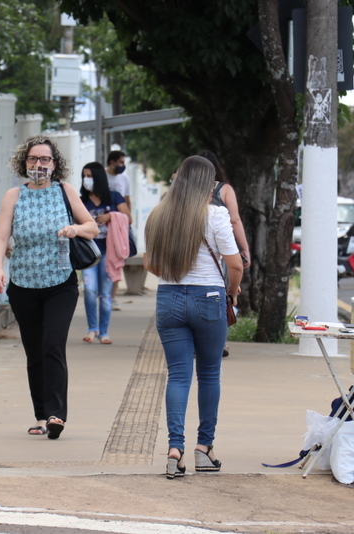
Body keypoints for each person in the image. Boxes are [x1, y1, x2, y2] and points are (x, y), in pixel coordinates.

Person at [0, 135, 98, 439]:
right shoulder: (13, 196)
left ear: (54, 164)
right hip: (23, 283)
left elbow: (92, 226)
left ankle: (56, 415)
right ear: (24, 163)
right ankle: (40, 416)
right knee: (34, 351)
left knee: (52, 346)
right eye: (33, 159)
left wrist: (74, 229)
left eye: (45, 159)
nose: (39, 165)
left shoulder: (65, 191)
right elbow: (1, 237)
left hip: (60, 282)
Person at [144, 155, 243, 479]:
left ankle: (175, 450)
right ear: (207, 183)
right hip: (209, 299)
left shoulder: (158, 215)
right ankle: (204, 448)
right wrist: (234, 290)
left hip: (169, 298)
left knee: (178, 375)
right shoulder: (215, 215)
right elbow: (236, 264)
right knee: (210, 374)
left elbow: (151, 265)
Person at [197, 149, 252, 358]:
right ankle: (220, 341)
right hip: (219, 252)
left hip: (192, 253)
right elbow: (235, 220)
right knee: (224, 296)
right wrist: (243, 248)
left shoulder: (187, 190)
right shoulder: (224, 189)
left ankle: (197, 341)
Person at [79, 162, 132, 345]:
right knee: (89, 290)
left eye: (90, 176)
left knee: (105, 295)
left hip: (109, 254)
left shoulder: (114, 197)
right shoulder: (80, 201)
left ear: (99, 177)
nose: (87, 180)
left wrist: (111, 217)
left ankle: (104, 332)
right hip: (89, 255)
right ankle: (92, 328)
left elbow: (128, 218)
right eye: (84, 176)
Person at [106, 150, 132, 311]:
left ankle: (112, 298)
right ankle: (103, 296)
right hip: (103, 224)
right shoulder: (100, 176)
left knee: (118, 260)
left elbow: (127, 200)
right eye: (121, 162)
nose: (123, 166)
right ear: (112, 162)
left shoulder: (124, 179)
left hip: (119, 225)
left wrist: (127, 222)